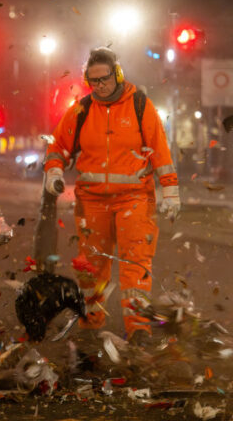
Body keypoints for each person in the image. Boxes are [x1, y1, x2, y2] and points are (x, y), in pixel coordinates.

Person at [44, 47, 180, 341]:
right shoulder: (81, 111)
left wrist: (170, 189)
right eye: (93, 81)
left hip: (135, 198)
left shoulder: (140, 106)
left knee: (136, 264)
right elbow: (57, 147)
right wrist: (54, 170)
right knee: (91, 266)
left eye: (104, 79)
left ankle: (138, 328)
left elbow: (160, 151)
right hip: (92, 200)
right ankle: (90, 323)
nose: (99, 86)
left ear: (117, 75)